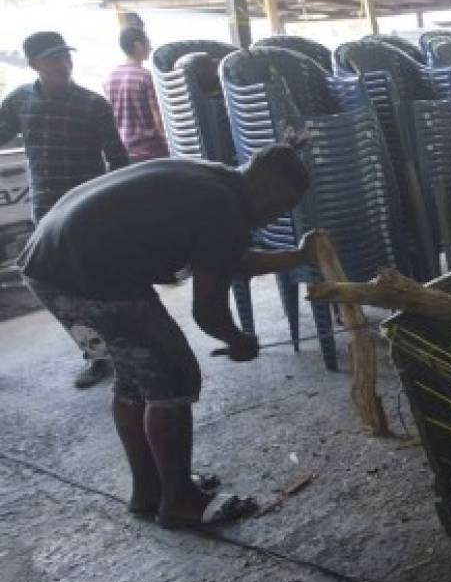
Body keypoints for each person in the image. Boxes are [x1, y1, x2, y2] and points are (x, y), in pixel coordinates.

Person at [18, 143, 318, 528]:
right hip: (85, 272)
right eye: (280, 209)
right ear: (268, 191)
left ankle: (150, 490)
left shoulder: (217, 178)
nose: (274, 218)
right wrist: (238, 339)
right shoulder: (223, 208)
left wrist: (297, 256)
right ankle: (180, 501)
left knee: (136, 377)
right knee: (174, 376)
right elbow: (207, 312)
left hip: (50, 259)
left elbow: (228, 259)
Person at [0, 31, 130, 388]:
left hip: (89, 212)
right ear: (33, 65)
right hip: (46, 214)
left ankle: (124, 349)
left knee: (100, 282)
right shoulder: (19, 102)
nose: (63, 64)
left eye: (65, 56)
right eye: (52, 58)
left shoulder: (93, 104)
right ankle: (97, 354)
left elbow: (119, 161)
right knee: (63, 289)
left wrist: (119, 210)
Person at [104, 26, 169, 162]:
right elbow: (158, 118)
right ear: (138, 45)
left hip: (127, 152)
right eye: (148, 43)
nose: (150, 47)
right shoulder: (145, 76)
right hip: (153, 152)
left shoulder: (110, 78)